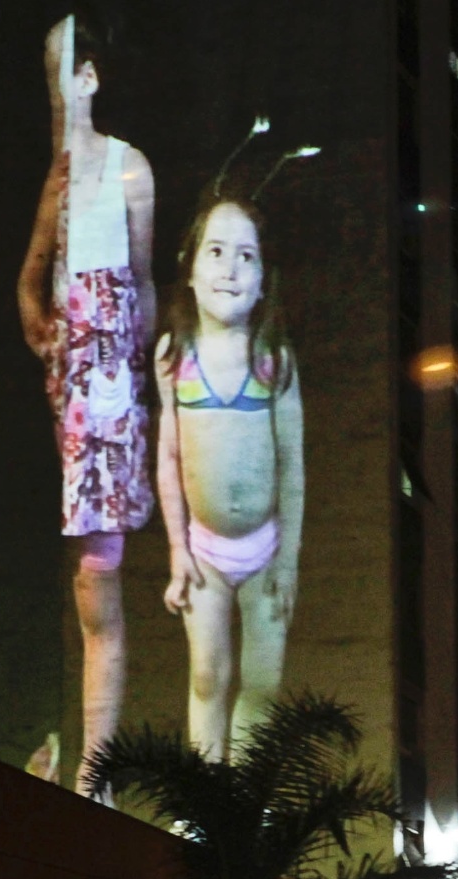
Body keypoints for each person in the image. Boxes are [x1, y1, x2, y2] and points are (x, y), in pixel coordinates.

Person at [15, 10, 156, 794]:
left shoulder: (129, 166)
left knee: (100, 562)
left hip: (112, 377)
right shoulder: (60, 175)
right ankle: (86, 772)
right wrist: (38, 322)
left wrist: (141, 366)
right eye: (49, 70)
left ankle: (94, 774)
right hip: (72, 378)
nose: (57, 84)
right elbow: (30, 274)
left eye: (65, 67)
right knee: (85, 564)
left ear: (92, 77)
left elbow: (140, 278)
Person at [154, 195, 305, 761]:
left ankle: (245, 804)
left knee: (262, 686)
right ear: (190, 269)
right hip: (205, 553)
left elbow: (293, 464)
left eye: (247, 256)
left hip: (264, 550)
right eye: (216, 252)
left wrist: (287, 559)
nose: (230, 268)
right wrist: (177, 550)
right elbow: (168, 458)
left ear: (263, 279)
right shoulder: (175, 355)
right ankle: (207, 804)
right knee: (205, 680)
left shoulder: (274, 359)